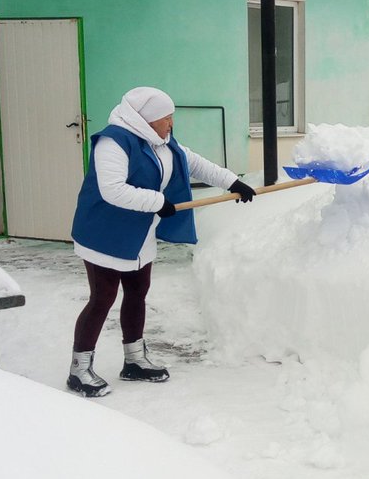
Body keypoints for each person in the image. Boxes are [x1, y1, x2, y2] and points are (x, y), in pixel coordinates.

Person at [67, 86, 256, 398]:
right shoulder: (112, 142)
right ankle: (79, 368)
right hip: (105, 233)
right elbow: (112, 189)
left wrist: (231, 181)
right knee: (102, 297)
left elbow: (190, 162)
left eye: (171, 117)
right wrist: (157, 202)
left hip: (139, 232)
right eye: (166, 118)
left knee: (137, 292)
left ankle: (134, 361)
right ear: (147, 119)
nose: (171, 124)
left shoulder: (161, 141)